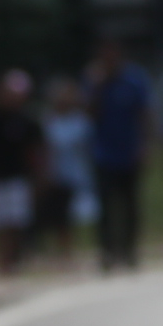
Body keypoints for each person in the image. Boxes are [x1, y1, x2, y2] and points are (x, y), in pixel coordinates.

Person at [88, 37, 152, 272]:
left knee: (130, 204)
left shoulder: (134, 79)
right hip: (103, 153)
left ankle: (129, 249)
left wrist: (145, 145)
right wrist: (98, 86)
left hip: (129, 152)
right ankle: (107, 250)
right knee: (105, 205)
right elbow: (89, 113)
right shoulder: (95, 81)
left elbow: (144, 114)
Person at [0, 69, 46, 274]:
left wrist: (39, 175)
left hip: (18, 177)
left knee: (16, 220)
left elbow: (36, 151)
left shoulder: (26, 120)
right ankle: (3, 260)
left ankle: (16, 257)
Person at [40, 75, 99, 260]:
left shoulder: (82, 122)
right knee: (59, 217)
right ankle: (63, 251)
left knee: (83, 214)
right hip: (57, 175)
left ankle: (86, 248)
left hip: (79, 174)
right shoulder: (48, 121)